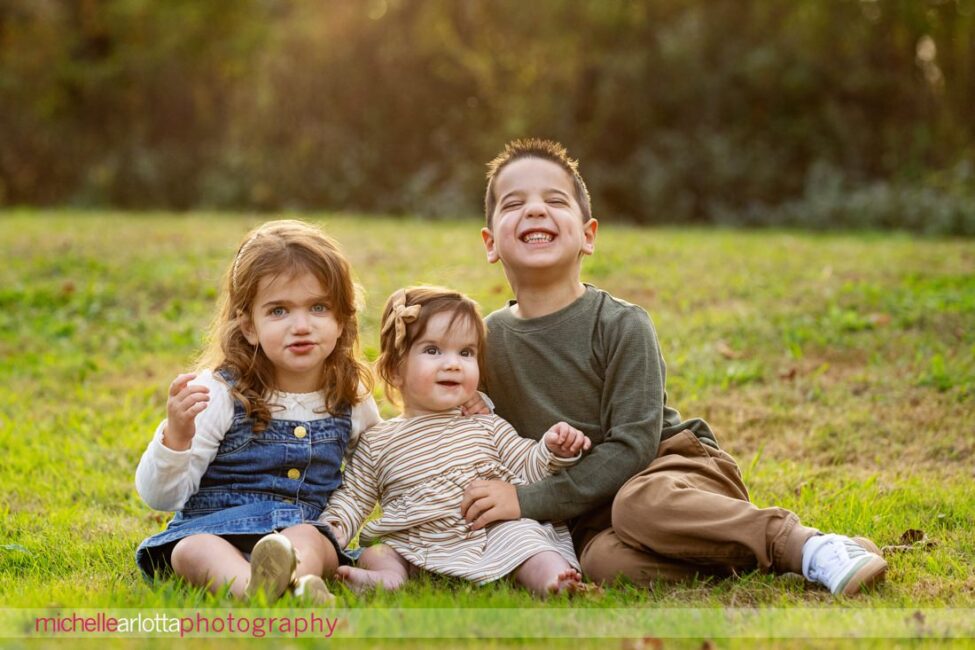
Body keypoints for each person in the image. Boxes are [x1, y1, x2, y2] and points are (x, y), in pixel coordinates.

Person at [460, 138, 888, 597]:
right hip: (592, 518)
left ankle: (805, 544)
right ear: (490, 243)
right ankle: (779, 556)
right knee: (603, 562)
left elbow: (633, 447)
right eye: (515, 203)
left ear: (588, 235)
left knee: (638, 504)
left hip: (670, 473)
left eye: (555, 200)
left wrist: (525, 502)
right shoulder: (484, 342)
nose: (535, 211)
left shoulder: (621, 323)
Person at [135, 219, 380, 603]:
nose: (301, 326)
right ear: (249, 327)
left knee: (312, 540)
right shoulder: (218, 392)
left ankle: (298, 581)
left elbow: (379, 465)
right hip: (216, 529)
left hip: (301, 527)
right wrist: (177, 437)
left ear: (341, 321)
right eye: (279, 311)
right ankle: (254, 589)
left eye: (318, 307)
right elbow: (159, 497)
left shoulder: (352, 396)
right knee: (190, 550)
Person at [321, 286, 592, 596]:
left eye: (466, 353)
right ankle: (389, 580)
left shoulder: (485, 423)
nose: (453, 364)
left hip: (488, 532)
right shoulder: (377, 440)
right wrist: (336, 526)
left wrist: (552, 449)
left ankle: (554, 580)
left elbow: (528, 466)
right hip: (416, 541)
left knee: (526, 537)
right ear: (395, 371)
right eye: (433, 350)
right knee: (377, 552)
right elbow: (355, 496)